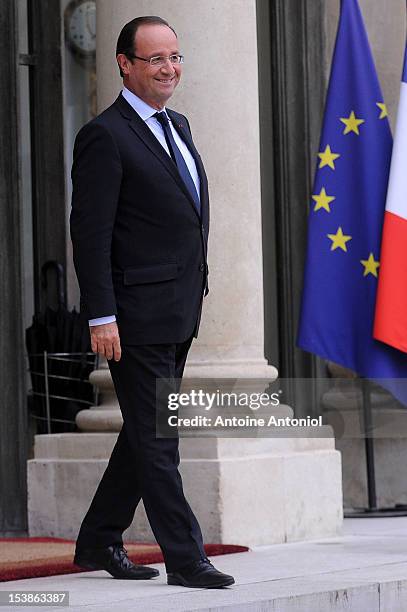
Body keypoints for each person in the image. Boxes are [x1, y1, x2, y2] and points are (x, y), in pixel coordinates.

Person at [70, 16, 234, 589]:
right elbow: (90, 234)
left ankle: (97, 538)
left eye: (175, 57)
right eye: (154, 59)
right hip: (133, 317)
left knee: (145, 432)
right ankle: (187, 559)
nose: (169, 69)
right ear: (124, 64)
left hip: (176, 310)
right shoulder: (104, 135)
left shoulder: (178, 124)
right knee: (161, 439)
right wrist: (101, 314)